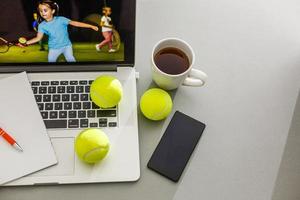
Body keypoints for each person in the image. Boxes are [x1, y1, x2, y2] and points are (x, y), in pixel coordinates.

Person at [25, 0, 99, 62]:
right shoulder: (42, 25)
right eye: (41, 11)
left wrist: (91, 26)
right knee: (50, 66)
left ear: (53, 11)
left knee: (71, 60)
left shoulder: (61, 19)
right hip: (53, 49)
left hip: (67, 46)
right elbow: (38, 38)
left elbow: (75, 23)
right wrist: (26, 43)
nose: (43, 13)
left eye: (45, 10)